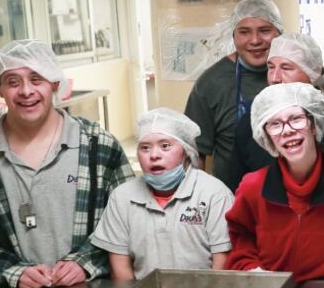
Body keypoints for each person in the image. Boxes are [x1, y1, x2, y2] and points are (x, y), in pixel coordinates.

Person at [0, 40, 133, 288]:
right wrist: (13, 272)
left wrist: (85, 262)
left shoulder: (99, 148)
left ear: (55, 84)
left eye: (37, 79)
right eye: (13, 81)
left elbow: (130, 223)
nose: (26, 91)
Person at [225, 83, 324, 281]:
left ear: (314, 124)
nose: (287, 130)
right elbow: (241, 243)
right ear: (266, 135)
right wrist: (255, 272)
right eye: (275, 124)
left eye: (296, 119)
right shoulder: (252, 188)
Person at [91, 109, 233, 279]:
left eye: (165, 146)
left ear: (186, 152)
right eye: (145, 148)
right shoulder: (122, 198)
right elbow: (121, 271)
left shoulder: (214, 194)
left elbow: (223, 267)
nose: (154, 155)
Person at [223, 33, 324, 192]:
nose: (275, 78)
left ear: (313, 72)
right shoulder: (252, 123)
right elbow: (235, 188)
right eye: (271, 67)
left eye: (286, 68)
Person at [184, 0, 283, 180]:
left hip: (294, 197)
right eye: (244, 32)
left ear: (280, 32)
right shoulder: (211, 83)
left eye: (264, 30)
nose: (255, 40)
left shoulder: (300, 70)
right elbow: (195, 153)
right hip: (232, 198)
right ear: (233, 35)